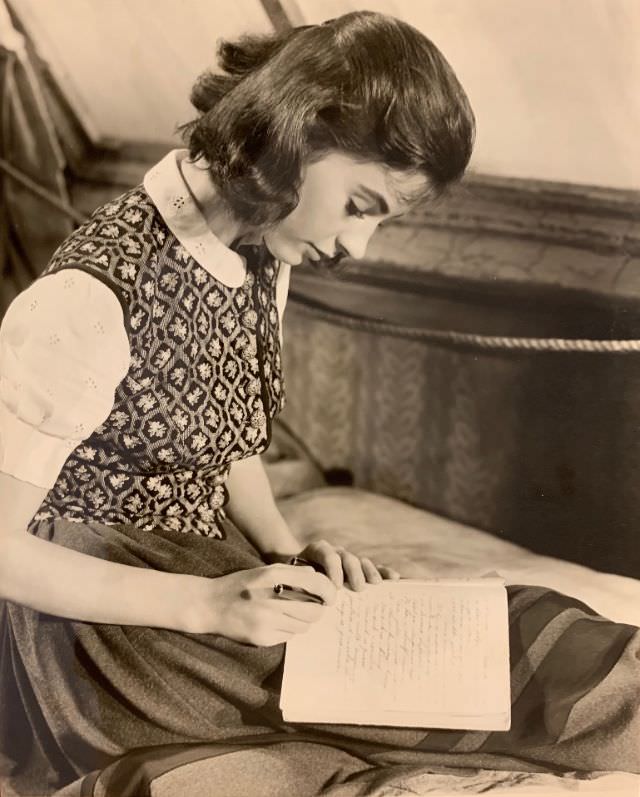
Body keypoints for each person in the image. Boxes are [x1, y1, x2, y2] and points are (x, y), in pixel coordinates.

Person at [0, 11, 638, 795]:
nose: (358, 247)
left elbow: (225, 438)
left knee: (501, 626)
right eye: (361, 205)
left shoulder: (257, 239)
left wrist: (283, 546)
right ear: (295, 134)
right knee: (438, 682)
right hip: (101, 626)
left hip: (204, 575)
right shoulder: (88, 298)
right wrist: (208, 604)